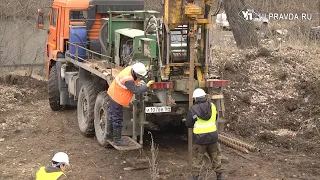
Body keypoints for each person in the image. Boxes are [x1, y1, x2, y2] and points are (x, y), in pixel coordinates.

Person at [107, 62, 154, 146]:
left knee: (112, 116)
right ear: (136, 73)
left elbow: (136, 79)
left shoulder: (132, 68)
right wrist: (146, 86)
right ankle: (117, 140)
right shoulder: (128, 79)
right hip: (117, 97)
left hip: (113, 93)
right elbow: (135, 90)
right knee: (117, 119)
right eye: (140, 76)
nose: (140, 77)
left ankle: (109, 135)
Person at [185, 88, 222, 180]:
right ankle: (219, 177)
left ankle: (195, 178)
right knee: (216, 158)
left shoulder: (193, 109)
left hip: (200, 139)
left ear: (195, 98)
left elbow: (188, 124)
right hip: (212, 137)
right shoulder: (212, 106)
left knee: (197, 161)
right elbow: (215, 117)